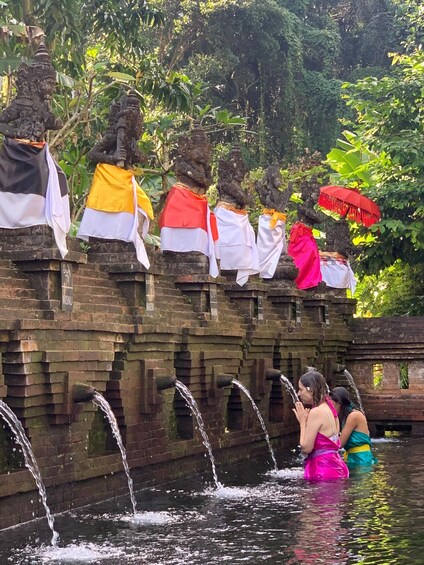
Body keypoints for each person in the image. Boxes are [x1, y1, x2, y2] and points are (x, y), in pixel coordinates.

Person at [293, 370, 349, 481]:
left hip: (323, 470)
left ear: (311, 391)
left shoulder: (316, 412)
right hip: (337, 467)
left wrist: (303, 422)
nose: (298, 394)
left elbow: (306, 448)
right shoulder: (331, 408)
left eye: (301, 389)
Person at [330, 386, 378, 467]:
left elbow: (340, 444)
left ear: (339, 403)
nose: (330, 408)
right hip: (351, 457)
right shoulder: (347, 416)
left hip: (361, 459)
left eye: (332, 404)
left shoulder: (354, 416)